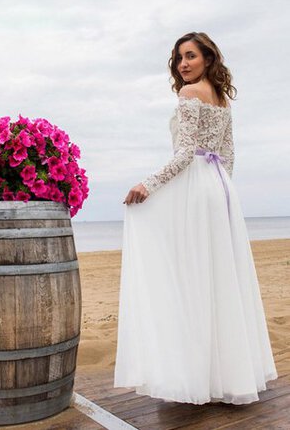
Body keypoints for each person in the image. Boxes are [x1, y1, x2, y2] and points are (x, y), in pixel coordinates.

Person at [113, 32, 278, 405]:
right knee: (219, 279)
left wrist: (147, 184)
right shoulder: (221, 98)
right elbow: (229, 154)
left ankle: (198, 376)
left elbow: (186, 153)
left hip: (195, 186)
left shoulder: (189, 95)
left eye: (189, 56)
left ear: (207, 58)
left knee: (191, 277)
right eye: (177, 58)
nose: (182, 64)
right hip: (220, 190)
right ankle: (228, 376)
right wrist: (224, 197)